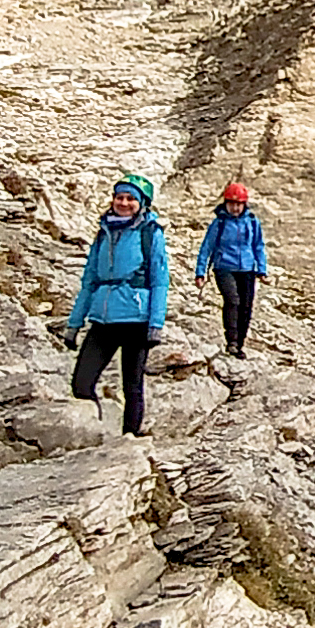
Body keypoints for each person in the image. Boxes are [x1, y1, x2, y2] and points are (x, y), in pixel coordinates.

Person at [65, 173, 168, 435]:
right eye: (119, 197)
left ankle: (129, 441)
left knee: (132, 386)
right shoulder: (103, 233)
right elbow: (89, 280)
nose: (123, 203)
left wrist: (156, 323)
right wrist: (74, 323)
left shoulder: (150, 233)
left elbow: (159, 281)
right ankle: (93, 434)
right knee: (82, 383)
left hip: (137, 319)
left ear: (142, 203)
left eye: (130, 198)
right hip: (103, 319)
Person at [193, 181, 266, 359]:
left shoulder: (252, 222)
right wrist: (200, 272)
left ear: (244, 204)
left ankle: (239, 343)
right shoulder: (219, 223)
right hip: (224, 267)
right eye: (231, 203)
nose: (235, 208)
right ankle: (231, 341)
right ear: (225, 203)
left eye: (238, 204)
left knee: (246, 306)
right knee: (233, 300)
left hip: (247, 268)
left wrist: (262, 269)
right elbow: (207, 247)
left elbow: (258, 246)